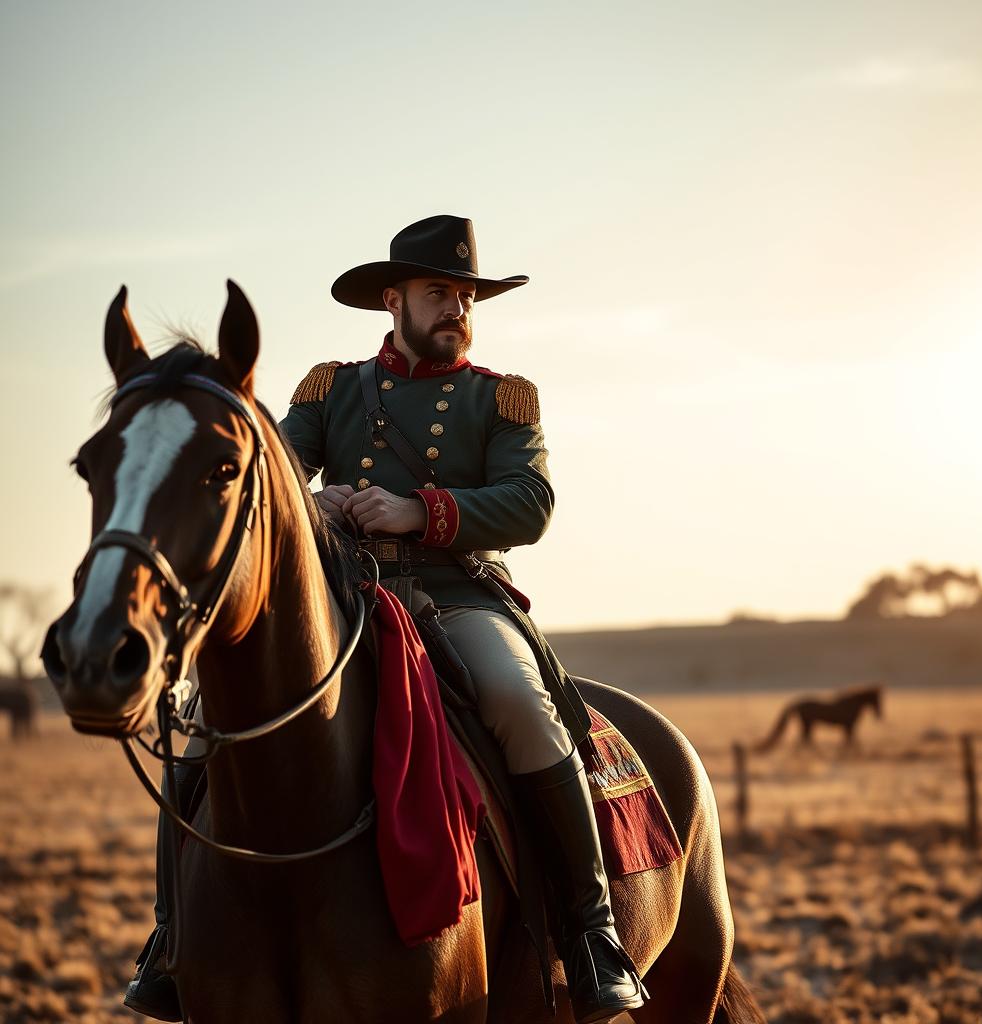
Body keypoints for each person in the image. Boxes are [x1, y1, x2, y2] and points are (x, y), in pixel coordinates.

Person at [125, 215, 645, 1024]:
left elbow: (531, 502)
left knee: (519, 706)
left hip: (458, 596)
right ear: (392, 300)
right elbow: (274, 468)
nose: (456, 308)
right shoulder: (332, 389)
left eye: (467, 295)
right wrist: (315, 497)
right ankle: (170, 939)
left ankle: (591, 934)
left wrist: (419, 510)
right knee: (204, 732)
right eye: (439, 292)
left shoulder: (500, 400)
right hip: (350, 599)